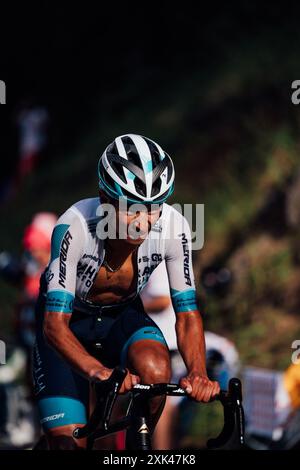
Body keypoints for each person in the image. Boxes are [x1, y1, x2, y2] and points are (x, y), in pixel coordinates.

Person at [32, 134, 220, 450]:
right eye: (131, 208)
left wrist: (198, 373)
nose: (144, 221)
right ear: (106, 199)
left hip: (121, 317)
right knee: (67, 444)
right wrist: (98, 371)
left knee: (157, 370)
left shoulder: (173, 227)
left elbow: (187, 315)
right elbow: (54, 326)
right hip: (66, 325)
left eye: (153, 208)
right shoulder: (75, 226)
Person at [141, 261, 240, 449]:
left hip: (166, 343)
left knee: (165, 405)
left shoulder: (158, 258)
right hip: (161, 340)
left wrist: (130, 306)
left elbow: (164, 300)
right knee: (162, 405)